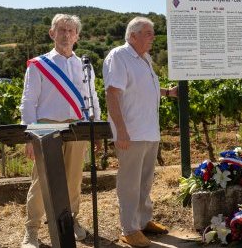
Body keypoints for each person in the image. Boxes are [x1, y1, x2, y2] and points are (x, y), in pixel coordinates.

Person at [19, 14, 101, 248]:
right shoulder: (39, 65)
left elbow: (93, 98)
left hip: (77, 127)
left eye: (71, 30)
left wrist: (96, 128)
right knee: (41, 181)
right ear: (52, 33)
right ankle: (32, 229)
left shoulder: (84, 65)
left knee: (74, 179)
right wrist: (29, 136)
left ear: (77, 36)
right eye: (61, 30)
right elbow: (28, 102)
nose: (66, 34)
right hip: (45, 127)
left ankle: (71, 220)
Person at [103, 16, 178, 247]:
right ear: (132, 35)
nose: (153, 37)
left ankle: (144, 221)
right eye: (148, 33)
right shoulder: (119, 56)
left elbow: (144, 89)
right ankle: (129, 229)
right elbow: (112, 94)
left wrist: (167, 93)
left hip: (149, 131)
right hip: (131, 133)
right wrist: (121, 131)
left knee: (145, 182)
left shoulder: (145, 58)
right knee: (130, 183)